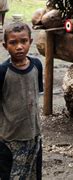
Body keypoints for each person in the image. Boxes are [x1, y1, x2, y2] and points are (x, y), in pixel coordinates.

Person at [0, 22, 43, 180]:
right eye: (13, 43)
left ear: (30, 42)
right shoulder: (3, 72)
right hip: (10, 140)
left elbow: (35, 96)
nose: (19, 47)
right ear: (5, 46)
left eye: (23, 41)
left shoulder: (36, 65)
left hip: (33, 135)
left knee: (33, 174)